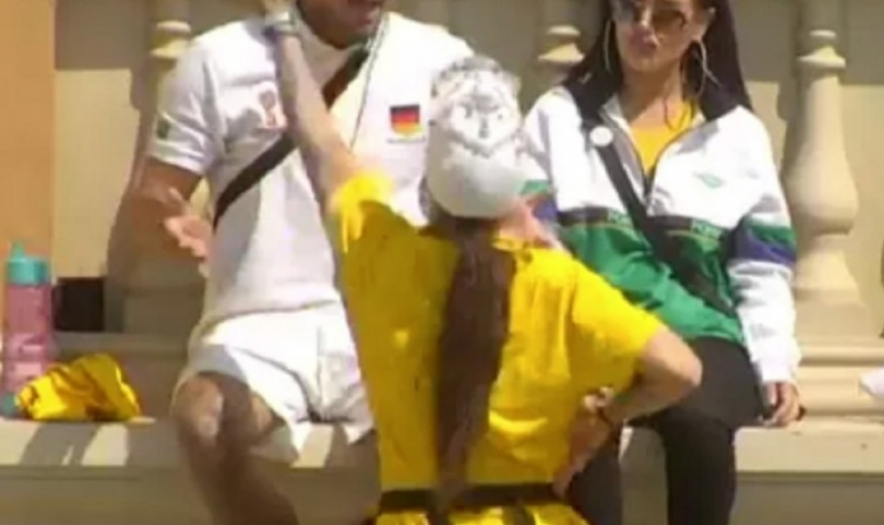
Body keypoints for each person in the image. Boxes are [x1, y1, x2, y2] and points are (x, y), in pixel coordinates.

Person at [260, 0, 703, 520]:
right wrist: (608, 417)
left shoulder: (381, 252)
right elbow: (681, 371)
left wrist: (282, 27)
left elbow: (320, 140)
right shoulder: (559, 283)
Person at [127, 1, 473, 524]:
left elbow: (490, 206)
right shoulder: (216, 59)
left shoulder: (441, 60)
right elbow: (152, 200)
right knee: (203, 421)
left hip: (390, 324)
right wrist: (170, 224)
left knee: (458, 428)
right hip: (260, 330)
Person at [520, 1, 803, 525]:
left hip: (700, 334)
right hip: (590, 333)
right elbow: (535, 243)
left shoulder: (737, 134)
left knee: (700, 426)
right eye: (630, 9)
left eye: (668, 16)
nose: (643, 29)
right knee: (578, 430)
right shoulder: (556, 117)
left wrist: (774, 361)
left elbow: (761, 265)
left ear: (703, 24)